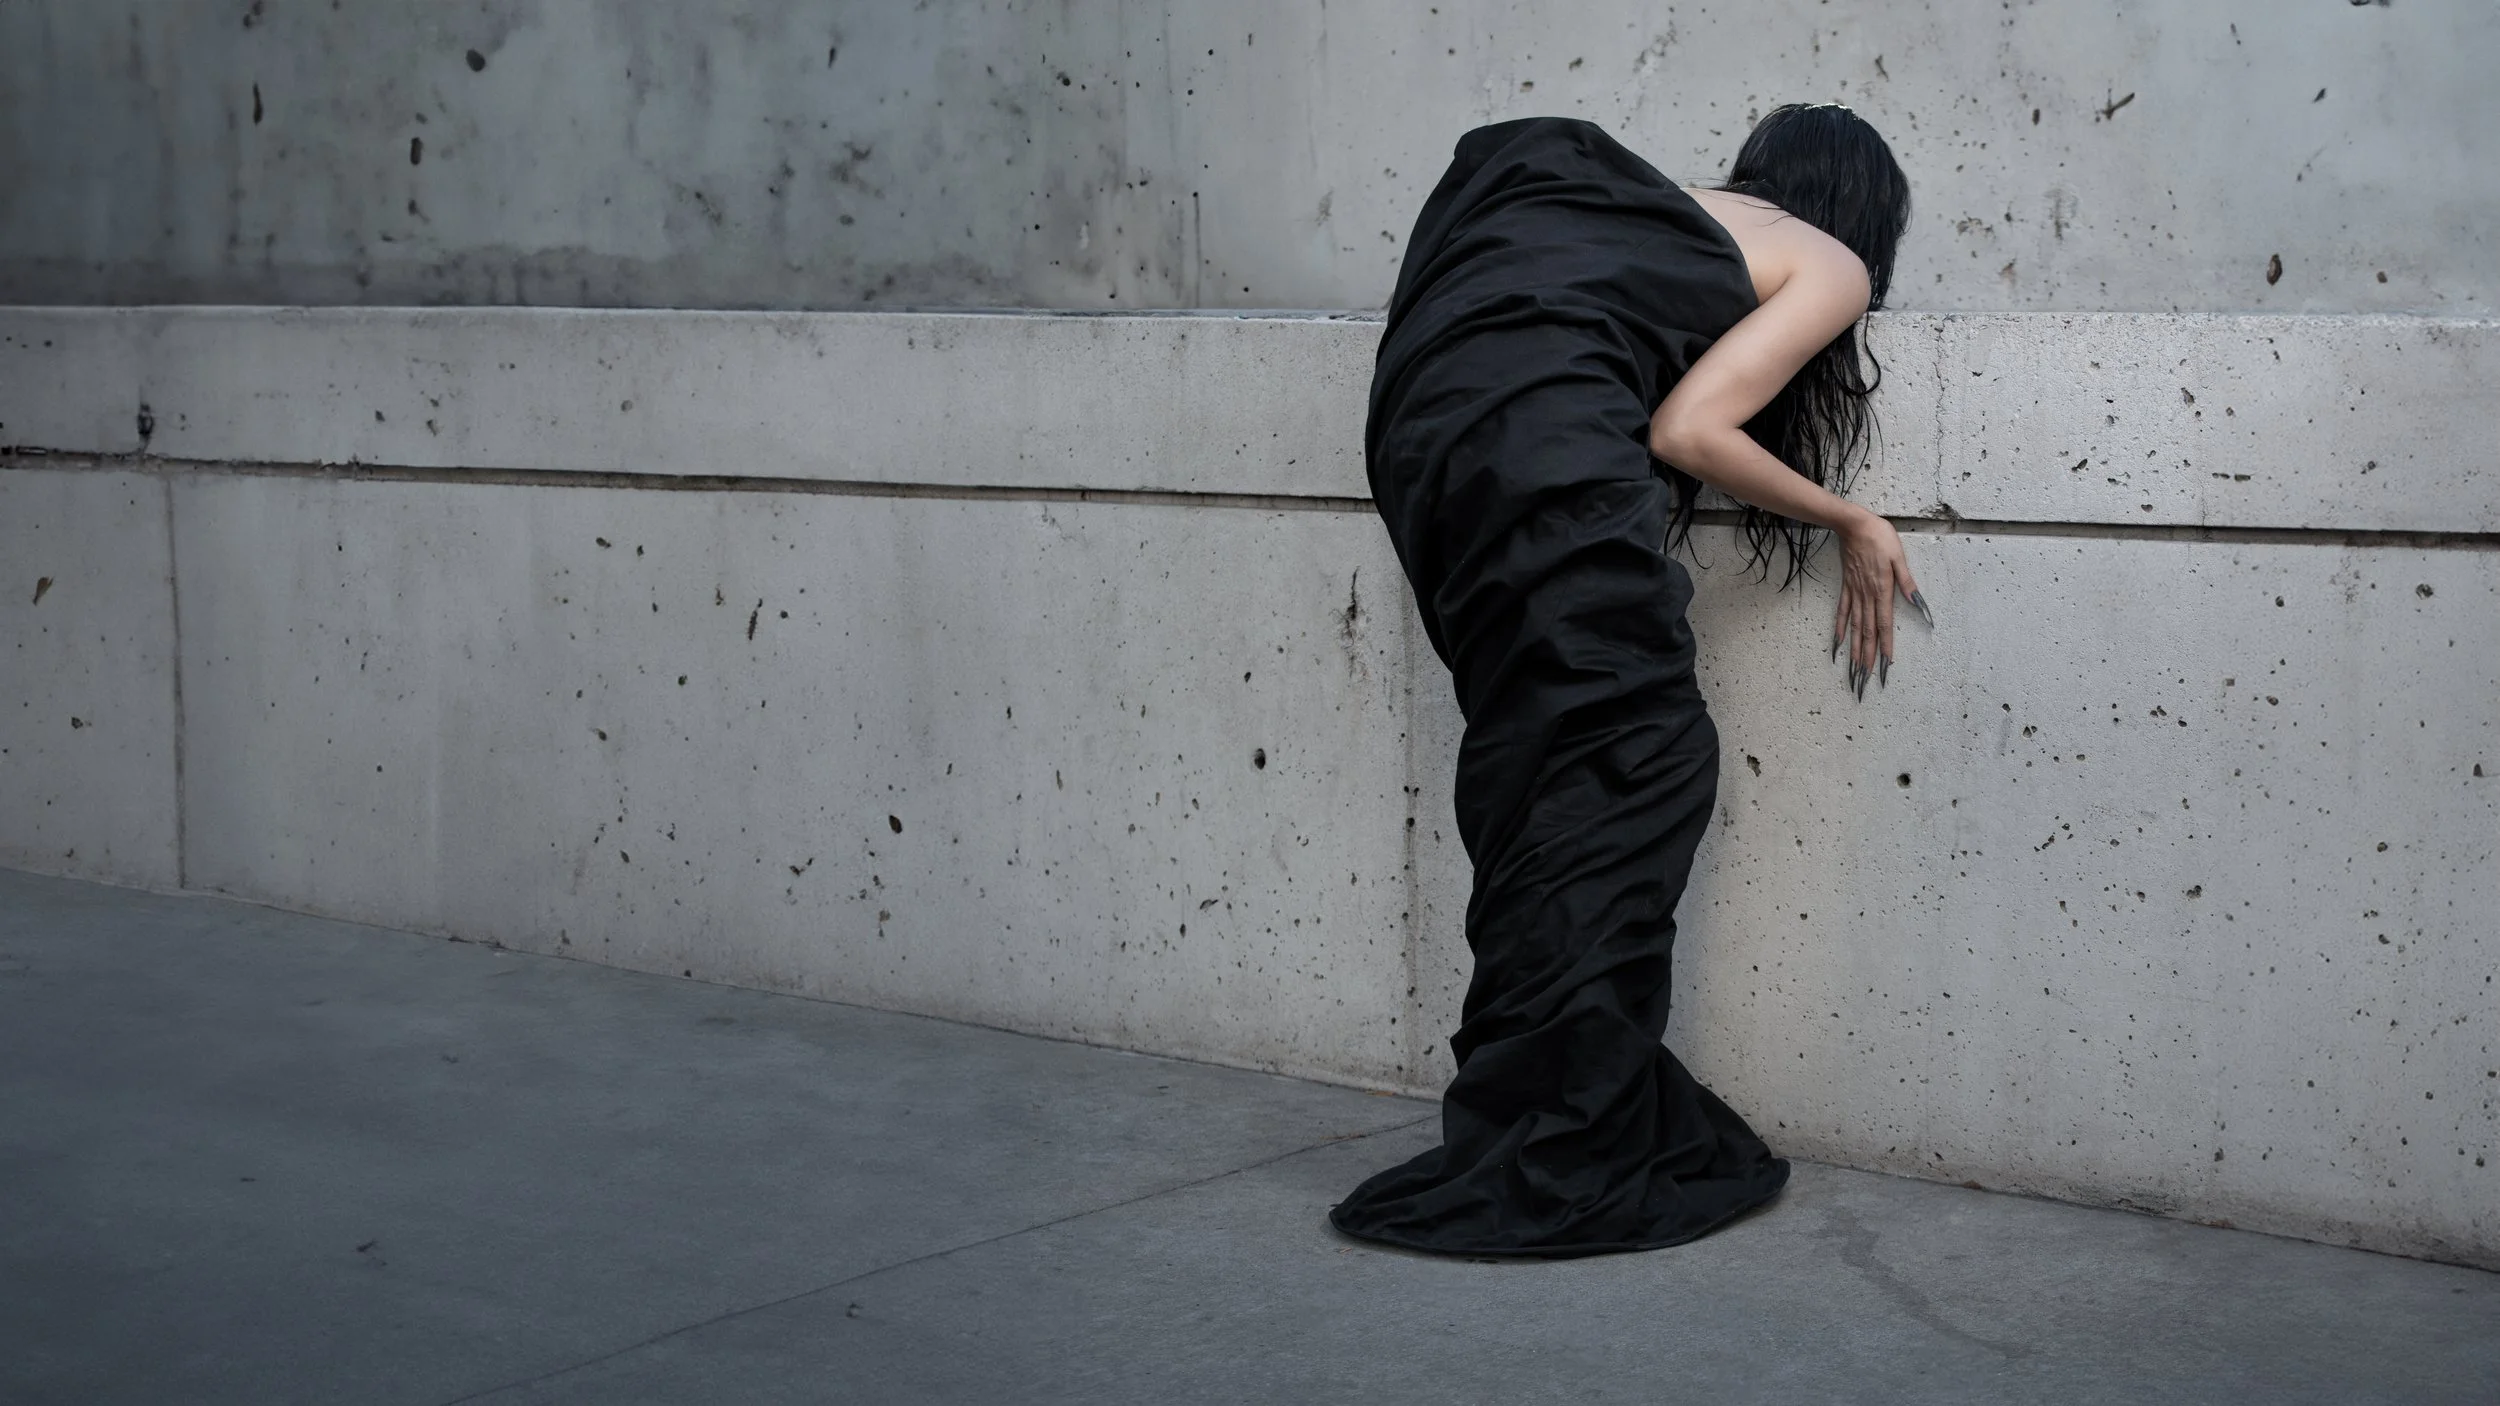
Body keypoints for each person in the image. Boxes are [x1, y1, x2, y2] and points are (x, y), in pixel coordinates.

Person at [1332, 105, 1921, 1257]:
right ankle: (1561, 1130)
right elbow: (1691, 428)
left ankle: (1536, 1085)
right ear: (1861, 210)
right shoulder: (1827, 258)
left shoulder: (1648, 215)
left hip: (1428, 440)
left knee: (1548, 760)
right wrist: (1851, 514)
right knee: (1640, 757)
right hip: (1543, 445)